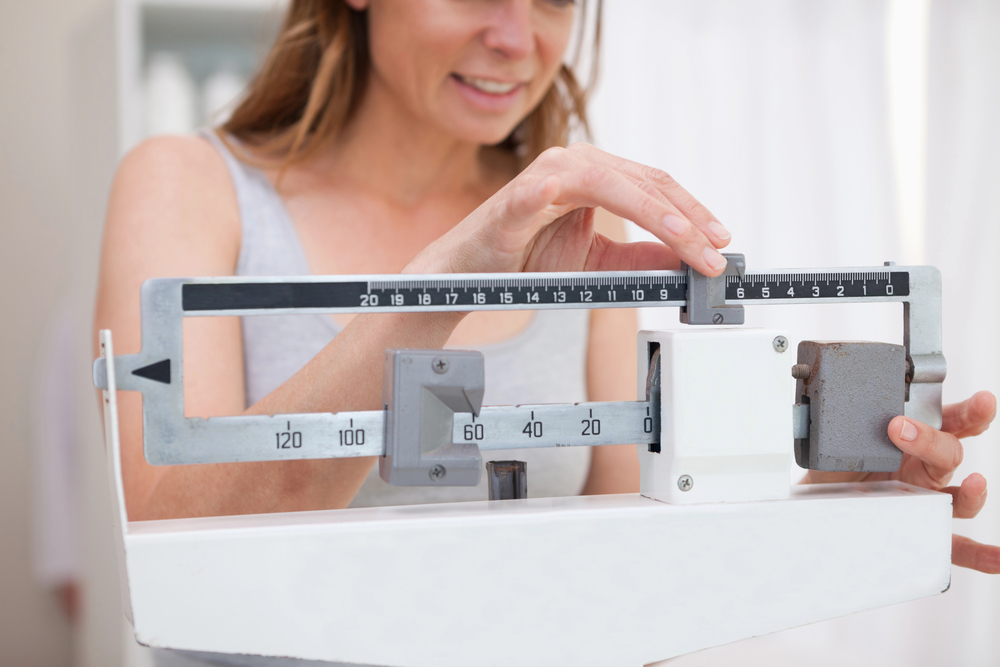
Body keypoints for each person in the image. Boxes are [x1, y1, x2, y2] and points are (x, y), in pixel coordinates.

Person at [94, 2, 998, 660]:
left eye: (556, 1)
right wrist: (455, 271)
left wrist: (843, 526)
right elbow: (163, 535)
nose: (518, 40)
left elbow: (629, 582)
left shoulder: (571, 235)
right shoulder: (187, 184)